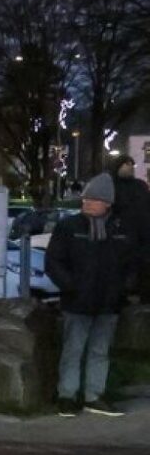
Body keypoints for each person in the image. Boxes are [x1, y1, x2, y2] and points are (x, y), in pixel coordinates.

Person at [47, 173, 137, 415]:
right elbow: (54, 261)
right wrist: (71, 286)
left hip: (108, 303)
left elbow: (131, 263)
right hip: (77, 301)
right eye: (86, 199)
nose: (86, 203)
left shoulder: (120, 230)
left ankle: (93, 395)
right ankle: (67, 395)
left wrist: (123, 288)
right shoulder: (68, 227)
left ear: (107, 203)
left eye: (93, 199)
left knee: (99, 350)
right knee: (73, 350)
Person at [107, 154, 150, 299]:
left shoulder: (140, 185)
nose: (131, 167)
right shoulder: (111, 186)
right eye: (127, 164)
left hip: (143, 235)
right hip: (122, 235)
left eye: (132, 164)